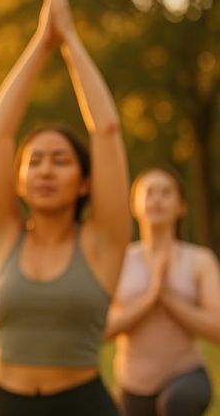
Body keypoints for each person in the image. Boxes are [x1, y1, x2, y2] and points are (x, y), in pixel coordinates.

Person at [0, 0, 130, 416]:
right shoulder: (4, 235)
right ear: (18, 179)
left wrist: (70, 43)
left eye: (61, 161)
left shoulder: (102, 243)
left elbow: (107, 131)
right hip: (3, 402)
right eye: (36, 161)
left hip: (84, 403)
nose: (46, 169)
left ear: (85, 182)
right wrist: (41, 42)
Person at [106, 166, 220, 416]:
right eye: (149, 192)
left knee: (177, 402)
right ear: (134, 205)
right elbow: (100, 331)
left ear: (182, 206)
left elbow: (217, 329)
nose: (156, 199)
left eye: (166, 193)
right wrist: (149, 300)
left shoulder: (200, 260)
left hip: (186, 377)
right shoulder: (119, 261)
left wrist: (168, 298)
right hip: (133, 387)